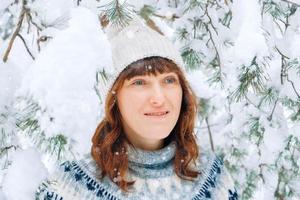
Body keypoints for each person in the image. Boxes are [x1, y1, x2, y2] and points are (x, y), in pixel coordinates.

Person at [35, 15, 238, 200]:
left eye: (169, 80)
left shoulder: (214, 179)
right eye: (139, 82)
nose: (159, 98)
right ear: (114, 100)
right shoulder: (71, 188)